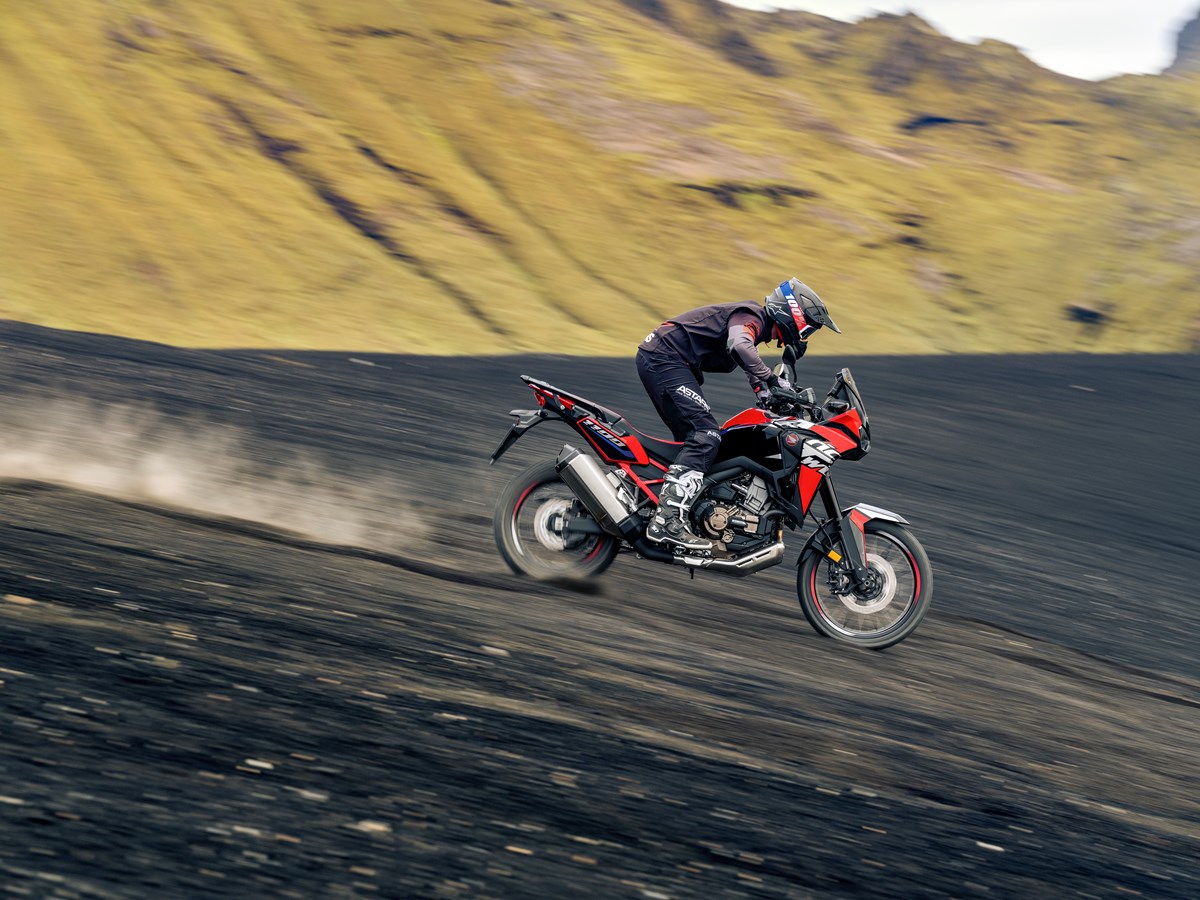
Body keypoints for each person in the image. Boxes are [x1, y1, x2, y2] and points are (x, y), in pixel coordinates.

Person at [636, 277, 840, 551]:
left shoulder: (754, 325)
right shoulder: (751, 316)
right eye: (809, 328)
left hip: (667, 361)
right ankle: (666, 521)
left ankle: (665, 507)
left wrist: (767, 394)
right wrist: (771, 379)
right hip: (664, 358)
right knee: (706, 436)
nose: (806, 336)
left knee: (695, 445)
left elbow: (748, 363)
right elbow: (740, 346)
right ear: (794, 315)